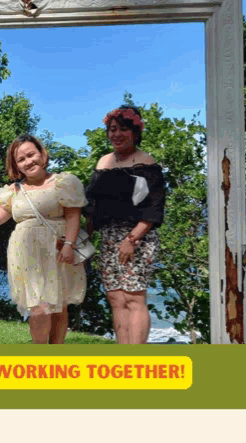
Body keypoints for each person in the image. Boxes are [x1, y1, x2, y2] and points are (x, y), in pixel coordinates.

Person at [0, 134, 87, 344]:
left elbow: (73, 215)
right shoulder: (12, 191)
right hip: (27, 257)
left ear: (42, 154)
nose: (28, 162)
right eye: (21, 159)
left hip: (58, 251)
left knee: (59, 306)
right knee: (39, 308)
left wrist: (69, 245)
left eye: (31, 155)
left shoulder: (64, 182)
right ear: (16, 165)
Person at [85, 105, 166, 344]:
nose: (116, 134)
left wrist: (131, 240)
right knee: (116, 299)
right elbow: (91, 205)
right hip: (108, 237)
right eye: (112, 129)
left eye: (123, 129)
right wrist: (84, 240)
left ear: (135, 132)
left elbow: (154, 207)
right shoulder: (103, 162)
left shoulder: (146, 163)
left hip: (137, 237)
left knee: (133, 298)